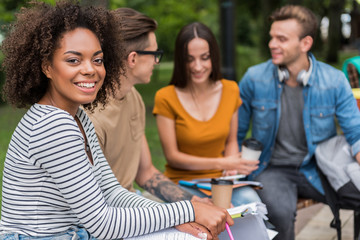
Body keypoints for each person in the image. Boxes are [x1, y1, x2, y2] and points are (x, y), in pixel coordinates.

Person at [0, 2, 233, 239]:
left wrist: (182, 218)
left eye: (97, 60)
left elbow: (112, 192)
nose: (90, 69)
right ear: (47, 67)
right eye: (74, 60)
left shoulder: (77, 116)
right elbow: (102, 224)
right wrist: (189, 210)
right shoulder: (53, 126)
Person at [237, 5, 360, 240]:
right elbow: (236, 132)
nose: (272, 44)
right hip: (272, 169)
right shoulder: (254, 78)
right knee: (280, 215)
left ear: (305, 44)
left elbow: (355, 132)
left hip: (319, 167)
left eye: (281, 39)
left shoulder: (334, 80)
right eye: (272, 37)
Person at [86, 8, 208, 204]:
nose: (156, 62)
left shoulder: (133, 98)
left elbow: (146, 173)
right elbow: (95, 205)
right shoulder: (90, 118)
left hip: (132, 203)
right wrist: (180, 213)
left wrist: (193, 202)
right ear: (133, 58)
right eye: (154, 54)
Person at [153, 22, 262, 206]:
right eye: (189, 59)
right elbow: (173, 156)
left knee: (252, 205)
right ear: (181, 60)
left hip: (220, 183)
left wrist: (231, 170)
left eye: (205, 58)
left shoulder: (231, 90)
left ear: (214, 57)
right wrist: (224, 163)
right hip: (180, 183)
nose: (197, 66)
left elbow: (231, 141)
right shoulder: (165, 97)